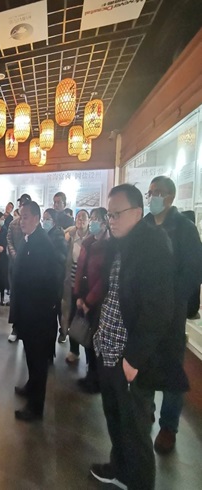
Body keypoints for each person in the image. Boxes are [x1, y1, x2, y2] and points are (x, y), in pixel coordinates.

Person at [89, 184, 180, 490]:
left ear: (138, 213)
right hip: (108, 347)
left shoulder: (153, 246)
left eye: (117, 214)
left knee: (135, 428)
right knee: (115, 418)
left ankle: (139, 481)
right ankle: (120, 469)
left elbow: (159, 310)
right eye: (109, 214)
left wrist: (133, 359)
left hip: (129, 358)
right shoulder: (118, 244)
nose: (111, 220)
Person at [144, 176, 202, 454]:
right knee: (144, 361)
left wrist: (171, 299)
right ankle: (145, 412)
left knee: (171, 369)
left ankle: (169, 426)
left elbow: (193, 272)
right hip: (145, 309)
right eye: (150, 192)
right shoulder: (145, 225)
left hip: (172, 312)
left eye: (157, 192)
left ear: (170, 197)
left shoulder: (185, 228)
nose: (152, 197)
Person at [11, 201, 59, 421]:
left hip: (37, 314)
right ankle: (31, 386)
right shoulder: (28, 239)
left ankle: (35, 407)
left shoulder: (42, 243)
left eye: (26, 217)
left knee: (38, 360)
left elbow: (46, 282)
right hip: (27, 310)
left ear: (37, 218)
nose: (22, 221)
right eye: (21, 217)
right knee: (30, 355)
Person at [74, 207, 109, 394]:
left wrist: (89, 301)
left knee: (96, 341)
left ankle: (97, 380)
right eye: (92, 218)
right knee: (87, 338)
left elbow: (104, 279)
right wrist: (79, 296)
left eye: (96, 219)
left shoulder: (109, 246)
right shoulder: (87, 242)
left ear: (104, 223)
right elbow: (80, 270)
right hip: (84, 296)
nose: (94, 222)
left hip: (98, 301)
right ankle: (90, 375)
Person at [60, 209, 90, 355]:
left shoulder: (93, 237)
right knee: (71, 315)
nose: (80, 220)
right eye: (78, 217)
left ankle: (89, 354)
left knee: (87, 317)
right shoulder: (70, 235)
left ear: (88, 221)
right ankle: (74, 350)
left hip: (87, 285)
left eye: (84, 217)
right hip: (70, 282)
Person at [42, 208, 67, 360]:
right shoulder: (45, 235)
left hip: (53, 284)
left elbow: (61, 260)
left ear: (54, 221)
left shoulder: (58, 236)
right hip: (44, 283)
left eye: (47, 219)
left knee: (51, 319)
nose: (44, 222)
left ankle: (49, 352)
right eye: (43, 218)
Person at [6, 194, 30, 342]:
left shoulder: (34, 223)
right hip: (15, 264)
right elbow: (9, 240)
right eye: (20, 204)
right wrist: (15, 255)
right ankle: (15, 327)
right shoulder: (13, 224)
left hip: (29, 266)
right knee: (14, 296)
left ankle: (26, 327)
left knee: (27, 296)